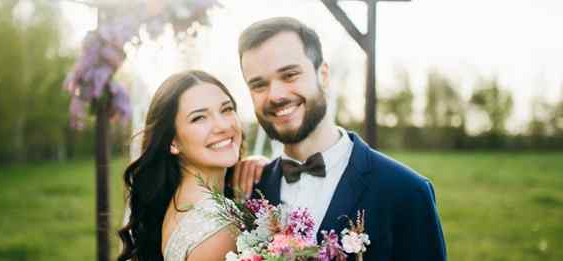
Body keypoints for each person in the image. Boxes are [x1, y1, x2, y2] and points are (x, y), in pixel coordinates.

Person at [234, 17, 447, 260]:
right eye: (259, 85)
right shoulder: (248, 191)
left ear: (323, 74)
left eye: (290, 75)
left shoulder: (406, 191)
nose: (276, 95)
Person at [118, 70, 242, 261]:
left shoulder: (180, 200)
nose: (223, 126)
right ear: (173, 142)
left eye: (226, 109)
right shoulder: (218, 230)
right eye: (199, 117)